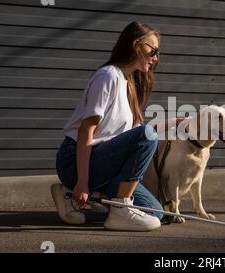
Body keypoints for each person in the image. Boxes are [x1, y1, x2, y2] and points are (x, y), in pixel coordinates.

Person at [52, 21, 183, 231]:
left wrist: (176, 123)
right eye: (153, 50)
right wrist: (82, 181)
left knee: (155, 212)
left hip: (105, 165)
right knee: (147, 135)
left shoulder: (128, 83)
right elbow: (87, 130)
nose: (156, 58)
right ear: (135, 45)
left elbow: (137, 137)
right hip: (74, 162)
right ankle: (118, 209)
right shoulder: (108, 76)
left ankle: (69, 194)